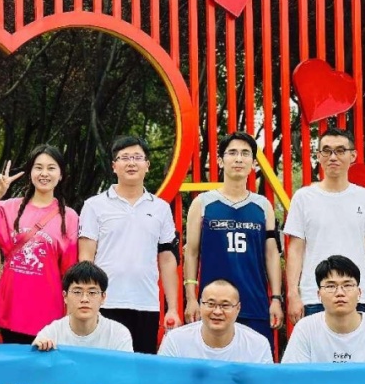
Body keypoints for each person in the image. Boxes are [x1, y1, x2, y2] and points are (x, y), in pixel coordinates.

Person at [0, 146, 79, 343]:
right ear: (30, 172)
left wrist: (70, 315)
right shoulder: (9, 208)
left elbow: (70, 272)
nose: (44, 173)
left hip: (49, 309)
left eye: (51, 168)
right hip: (12, 305)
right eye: (38, 167)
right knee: (12, 359)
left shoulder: (69, 217)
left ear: (61, 175)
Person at [78, 136, 180, 354]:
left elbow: (167, 260)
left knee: (141, 368)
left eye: (137, 157)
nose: (131, 163)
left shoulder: (161, 208)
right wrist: (86, 300)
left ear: (147, 165)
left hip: (146, 303)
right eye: (124, 158)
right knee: (105, 365)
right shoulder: (94, 205)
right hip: (104, 303)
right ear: (114, 166)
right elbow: (85, 259)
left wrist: (172, 308)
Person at [183, 132, 283, 346]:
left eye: (245, 153)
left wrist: (276, 298)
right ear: (221, 161)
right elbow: (191, 253)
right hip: (213, 306)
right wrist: (191, 298)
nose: (239, 159)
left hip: (254, 303)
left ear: (253, 163)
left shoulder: (263, 205)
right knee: (212, 362)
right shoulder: (202, 203)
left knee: (255, 363)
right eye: (232, 153)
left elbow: (271, 254)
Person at [283, 128, 365, 324]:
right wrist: (293, 294)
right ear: (318, 156)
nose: (333, 157)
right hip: (314, 296)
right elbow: (295, 249)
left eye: (340, 150)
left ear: (353, 156)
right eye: (326, 150)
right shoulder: (303, 198)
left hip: (359, 295)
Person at [281, 255, 365, 364]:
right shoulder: (305, 329)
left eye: (347, 285)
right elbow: (293, 375)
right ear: (319, 294)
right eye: (330, 286)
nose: (340, 292)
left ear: (359, 292)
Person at [159, 279, 273, 362]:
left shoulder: (258, 345)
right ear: (200, 305)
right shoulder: (175, 340)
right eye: (211, 304)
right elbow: (162, 381)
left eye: (225, 305)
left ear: (238, 308)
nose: (217, 311)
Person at [33, 261, 134, 353]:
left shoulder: (118, 334)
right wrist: (38, 349)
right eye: (77, 292)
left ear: (103, 297)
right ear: (65, 296)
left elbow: (125, 367)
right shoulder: (51, 333)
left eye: (92, 292)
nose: (84, 299)